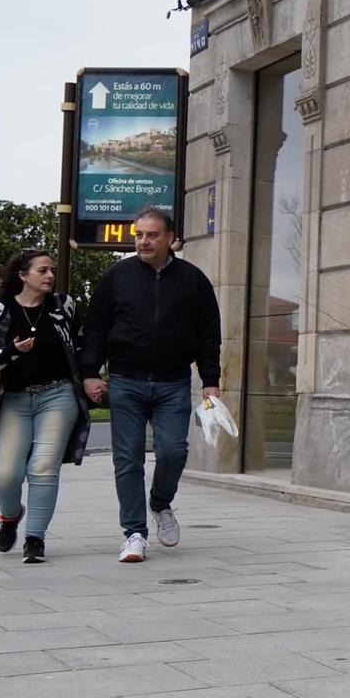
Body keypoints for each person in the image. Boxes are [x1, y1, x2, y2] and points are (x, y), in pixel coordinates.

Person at [79, 207, 222, 564]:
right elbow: (95, 327)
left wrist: (210, 381)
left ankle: (160, 503)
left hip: (174, 382)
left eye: (152, 235)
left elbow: (209, 335)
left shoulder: (194, 280)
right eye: (139, 234)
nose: (143, 241)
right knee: (127, 459)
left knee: (174, 450)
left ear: (170, 238)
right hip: (126, 380)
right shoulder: (117, 276)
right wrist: (90, 372)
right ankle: (134, 533)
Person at [0, 249, 91, 564]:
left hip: (58, 395)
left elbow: (81, 345)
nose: (50, 276)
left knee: (43, 467)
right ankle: (10, 515)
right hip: (14, 399)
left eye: (52, 271)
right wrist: (13, 351)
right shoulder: (0, 311)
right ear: (23, 276)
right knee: (3, 472)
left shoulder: (64, 307)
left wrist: (91, 377)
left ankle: (35, 539)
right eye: (42, 271)